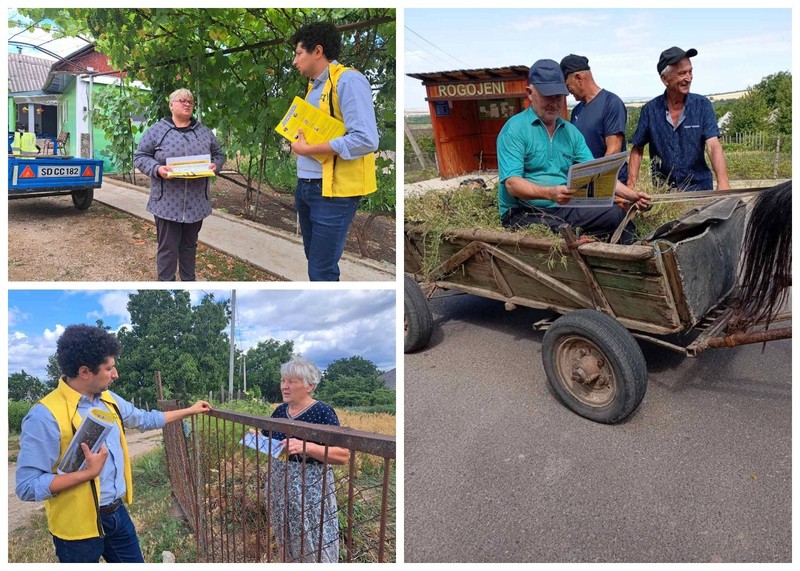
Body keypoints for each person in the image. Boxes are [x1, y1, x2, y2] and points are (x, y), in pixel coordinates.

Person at [15, 324, 212, 563]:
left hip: (116, 514)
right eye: (109, 368)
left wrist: (190, 410)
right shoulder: (44, 416)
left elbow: (146, 419)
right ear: (85, 371)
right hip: (75, 530)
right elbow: (27, 486)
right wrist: (87, 473)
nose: (115, 374)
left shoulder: (109, 399)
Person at [497, 59, 650, 244]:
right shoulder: (515, 129)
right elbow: (512, 184)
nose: (554, 103)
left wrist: (632, 196)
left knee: (616, 214)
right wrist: (550, 193)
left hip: (561, 207)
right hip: (523, 211)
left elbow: (597, 174)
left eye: (559, 97)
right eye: (548, 96)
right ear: (530, 93)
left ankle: (638, 259)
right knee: (564, 231)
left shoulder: (570, 132)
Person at [288, 22, 380, 281]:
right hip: (306, 186)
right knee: (315, 261)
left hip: (332, 194)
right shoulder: (313, 88)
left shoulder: (349, 80)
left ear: (317, 51)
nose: (295, 61)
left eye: (298, 53)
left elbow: (365, 139)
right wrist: (299, 145)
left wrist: (310, 148)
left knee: (321, 270)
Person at [261, 357, 349, 562]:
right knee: (284, 535)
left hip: (310, 488)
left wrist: (306, 447)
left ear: (310, 386)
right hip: (279, 485)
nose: (285, 386)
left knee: (314, 538)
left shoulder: (322, 412)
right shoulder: (280, 411)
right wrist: (257, 438)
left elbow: (342, 455)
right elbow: (270, 440)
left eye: (292, 381)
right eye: (283, 381)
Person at [134, 88, 225, 281]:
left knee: (189, 247)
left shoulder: (204, 132)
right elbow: (141, 156)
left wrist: (215, 165)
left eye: (190, 102)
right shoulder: (158, 131)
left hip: (196, 203)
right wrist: (157, 169)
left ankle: (188, 282)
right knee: (167, 249)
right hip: (167, 203)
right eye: (182, 100)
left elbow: (218, 154)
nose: (186, 104)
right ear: (171, 104)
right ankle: (166, 284)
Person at [628, 46, 730, 191]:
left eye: (690, 71)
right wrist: (631, 186)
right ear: (665, 79)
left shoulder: (702, 106)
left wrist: (723, 182)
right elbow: (637, 149)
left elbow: (713, 146)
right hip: (664, 192)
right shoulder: (650, 110)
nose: (688, 78)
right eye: (682, 73)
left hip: (699, 189)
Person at [560, 54, 629, 183]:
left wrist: (598, 182)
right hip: (585, 184)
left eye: (568, 85)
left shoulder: (611, 103)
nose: (568, 92)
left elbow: (613, 151)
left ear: (579, 78)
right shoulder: (577, 110)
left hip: (611, 185)